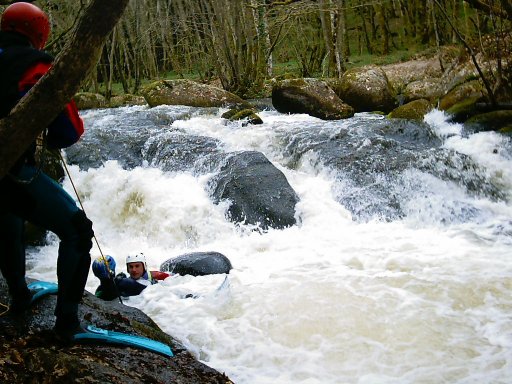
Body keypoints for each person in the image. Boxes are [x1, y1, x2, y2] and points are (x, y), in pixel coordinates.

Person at [0, 3, 93, 339]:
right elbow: (67, 133)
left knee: (8, 219)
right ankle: (67, 324)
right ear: (38, 33)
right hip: (10, 170)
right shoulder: (37, 64)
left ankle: (19, 297)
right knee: (77, 231)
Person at [92, 253, 170, 300]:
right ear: (127, 268)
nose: (134, 270)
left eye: (137, 266)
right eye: (131, 267)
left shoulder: (155, 275)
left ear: (144, 266)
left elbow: (172, 280)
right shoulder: (124, 282)